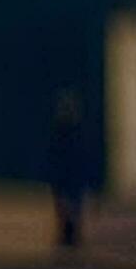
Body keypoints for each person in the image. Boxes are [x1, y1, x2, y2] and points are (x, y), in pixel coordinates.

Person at [47, 90, 88, 248]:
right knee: (67, 206)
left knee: (70, 206)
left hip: (70, 174)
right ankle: (68, 235)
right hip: (67, 175)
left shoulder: (69, 131)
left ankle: (70, 235)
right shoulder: (64, 131)